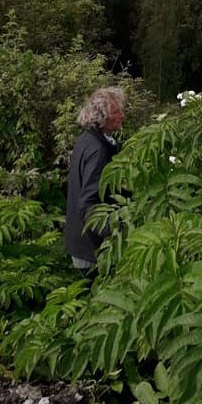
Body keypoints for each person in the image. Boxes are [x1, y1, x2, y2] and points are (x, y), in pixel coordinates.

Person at [65, 86, 125, 276]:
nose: (122, 115)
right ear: (102, 118)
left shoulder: (86, 140)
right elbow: (88, 203)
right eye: (116, 112)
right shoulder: (98, 150)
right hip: (92, 250)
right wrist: (115, 234)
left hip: (82, 244)